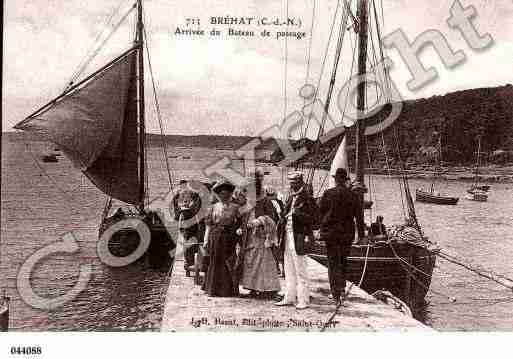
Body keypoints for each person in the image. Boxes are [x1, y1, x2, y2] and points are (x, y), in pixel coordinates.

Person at [318, 168, 365, 305]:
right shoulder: (354, 196)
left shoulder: (328, 193)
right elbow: (359, 218)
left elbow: (320, 213)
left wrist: (320, 229)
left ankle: (335, 294)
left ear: (335, 179)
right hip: (347, 234)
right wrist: (361, 235)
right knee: (343, 260)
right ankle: (342, 288)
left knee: (333, 263)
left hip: (331, 234)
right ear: (345, 180)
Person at [275, 171, 317, 310]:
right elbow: (285, 215)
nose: (292, 185)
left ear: (300, 182)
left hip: (299, 236)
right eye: (291, 183)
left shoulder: (307, 198)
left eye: (294, 183)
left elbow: (315, 219)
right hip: (287, 236)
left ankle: (303, 300)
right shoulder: (290, 197)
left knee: (301, 270)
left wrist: (297, 214)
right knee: (288, 268)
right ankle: (289, 296)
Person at [240, 171, 281, 298]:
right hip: (249, 235)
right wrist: (241, 227)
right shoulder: (246, 201)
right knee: (250, 260)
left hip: (261, 235)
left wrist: (260, 221)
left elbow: (273, 219)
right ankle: (252, 287)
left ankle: (267, 289)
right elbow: (242, 215)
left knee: (263, 261)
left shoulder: (265, 201)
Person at [201, 180, 242, 297]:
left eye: (227, 194)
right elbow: (208, 225)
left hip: (229, 237)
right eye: (222, 194)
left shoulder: (235, 207)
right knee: (215, 261)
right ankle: (213, 289)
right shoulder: (213, 207)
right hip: (216, 237)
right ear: (219, 195)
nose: (224, 196)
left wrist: (239, 231)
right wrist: (205, 240)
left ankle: (227, 289)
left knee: (228, 261)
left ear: (230, 194)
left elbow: (239, 223)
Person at [172, 180, 205, 273]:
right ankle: (188, 263)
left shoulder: (194, 195)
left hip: (193, 223)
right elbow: (177, 209)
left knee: (194, 243)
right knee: (188, 242)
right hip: (187, 223)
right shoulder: (178, 196)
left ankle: (193, 263)